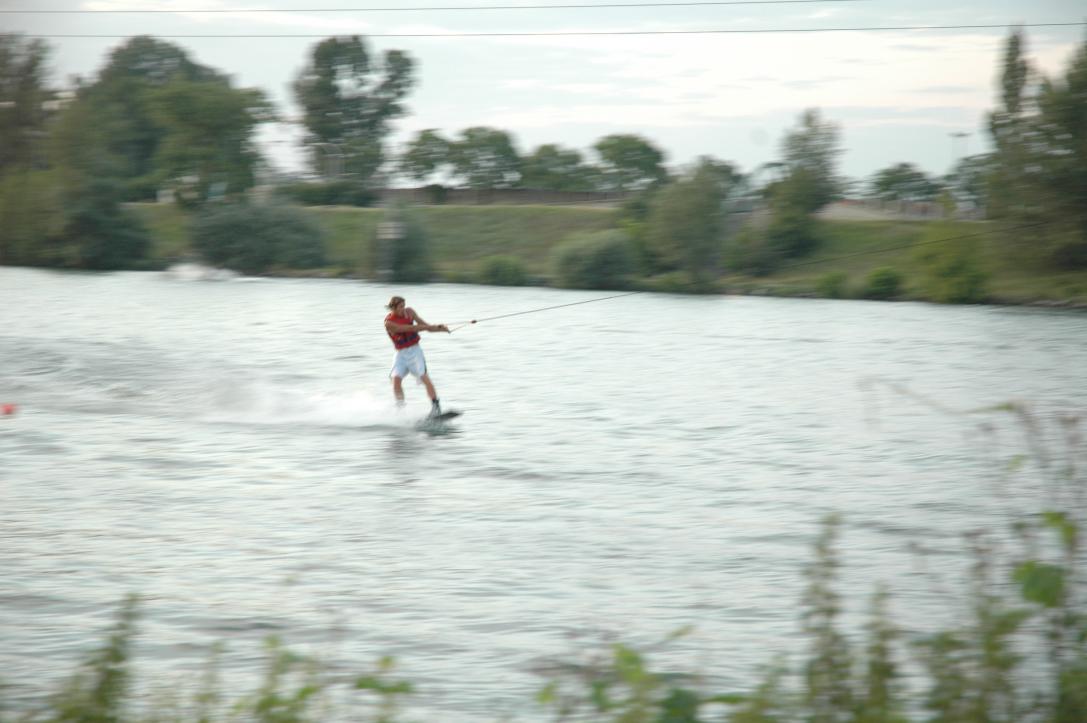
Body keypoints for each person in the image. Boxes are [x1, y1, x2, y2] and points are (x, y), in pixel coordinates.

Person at [383, 295, 449, 416]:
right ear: (393, 308)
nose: (403, 309)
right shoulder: (389, 323)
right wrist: (429, 327)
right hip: (400, 354)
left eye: (404, 305)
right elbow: (409, 328)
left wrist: (440, 329)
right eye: (401, 307)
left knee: (424, 377)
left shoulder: (410, 312)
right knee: (396, 380)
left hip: (415, 351)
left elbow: (426, 326)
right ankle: (401, 410)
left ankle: (436, 407)